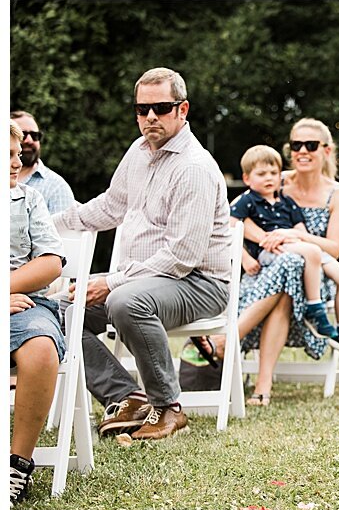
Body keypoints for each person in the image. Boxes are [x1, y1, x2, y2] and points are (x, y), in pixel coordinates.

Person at [53, 67, 235, 443]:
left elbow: (182, 257)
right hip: (144, 281)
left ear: (182, 110)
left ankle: (168, 407)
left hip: (200, 283)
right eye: (142, 109)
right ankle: (125, 396)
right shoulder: (138, 151)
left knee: (125, 301)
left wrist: (112, 281)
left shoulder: (194, 168)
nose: (150, 116)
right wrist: (49, 225)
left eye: (162, 107)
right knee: (60, 310)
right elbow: (109, 207)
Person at [230, 118, 339, 406]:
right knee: (288, 272)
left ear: (326, 151)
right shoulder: (275, 180)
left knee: (292, 269)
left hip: (317, 276)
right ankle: (261, 385)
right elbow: (234, 218)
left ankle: (230, 344)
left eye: (310, 145)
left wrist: (293, 236)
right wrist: (265, 238)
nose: (302, 151)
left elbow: (335, 249)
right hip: (267, 269)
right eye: (296, 145)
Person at [9, 121, 67, 506]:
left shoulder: (28, 200)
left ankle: (16, 466)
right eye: (8, 155)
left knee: (41, 349)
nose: (17, 163)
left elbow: (51, 263)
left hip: (27, 304)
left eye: (17, 155)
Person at [10, 110, 75, 214]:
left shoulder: (56, 188)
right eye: (22, 135)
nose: (29, 140)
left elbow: (64, 230)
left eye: (35, 135)